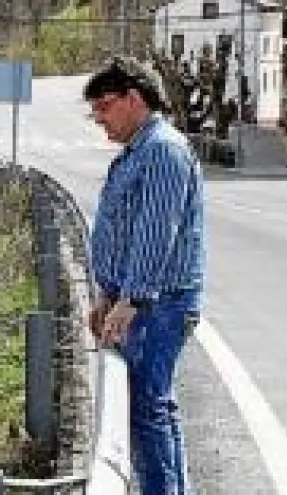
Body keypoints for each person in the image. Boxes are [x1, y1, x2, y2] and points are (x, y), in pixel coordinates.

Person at [84, 56, 205, 495]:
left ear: (133, 98)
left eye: (105, 106)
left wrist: (130, 299)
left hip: (159, 304)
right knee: (148, 409)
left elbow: (156, 233)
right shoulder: (139, 151)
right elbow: (123, 231)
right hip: (142, 301)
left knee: (149, 409)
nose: (100, 119)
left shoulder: (162, 151)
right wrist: (107, 293)